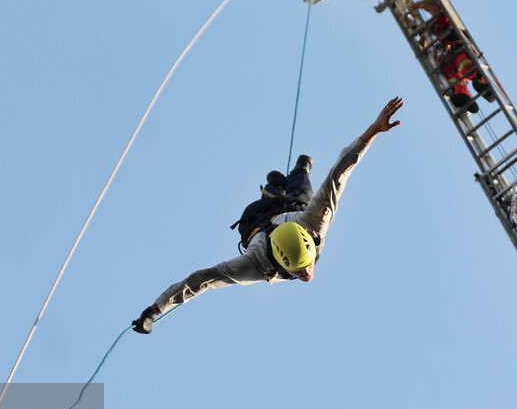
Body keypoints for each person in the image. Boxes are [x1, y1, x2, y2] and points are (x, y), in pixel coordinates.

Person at [132, 97, 404, 334]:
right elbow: (201, 280)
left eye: (305, 266)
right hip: (260, 221)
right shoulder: (256, 263)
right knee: (282, 199)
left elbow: (339, 173)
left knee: (302, 191)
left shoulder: (313, 224)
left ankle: (291, 176)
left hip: (290, 212)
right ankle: (276, 186)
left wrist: (374, 129)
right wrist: (155, 310)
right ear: (285, 266)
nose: (307, 273)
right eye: (301, 270)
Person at [414, 0, 493, 115]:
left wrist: (418, 5)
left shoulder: (444, 20)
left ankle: (480, 84)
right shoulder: (439, 36)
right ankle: (464, 97)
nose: (435, 30)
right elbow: (426, 49)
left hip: (458, 49)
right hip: (450, 60)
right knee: (455, 76)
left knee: (464, 65)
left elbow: (433, 9)